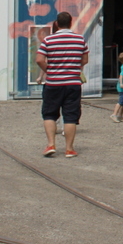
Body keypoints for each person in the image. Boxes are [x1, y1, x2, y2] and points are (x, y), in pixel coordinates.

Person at [35, 11, 89, 158]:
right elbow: (84, 60)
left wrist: (49, 70)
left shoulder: (48, 40)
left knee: (50, 114)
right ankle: (69, 149)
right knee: (71, 116)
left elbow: (39, 59)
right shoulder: (80, 40)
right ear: (71, 23)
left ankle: (51, 145)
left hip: (53, 84)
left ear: (57, 24)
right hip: (72, 83)